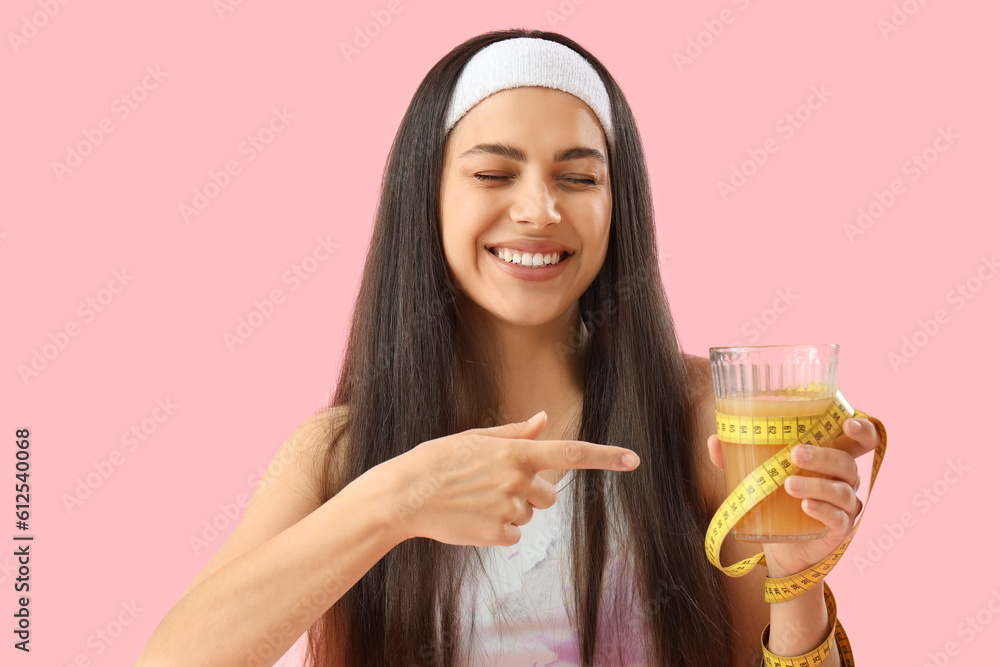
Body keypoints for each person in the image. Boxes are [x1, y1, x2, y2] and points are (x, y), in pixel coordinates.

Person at [136, 29, 881, 667]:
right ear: (426, 195)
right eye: (494, 173)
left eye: (579, 177)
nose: (539, 209)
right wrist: (397, 499)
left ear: (619, 206)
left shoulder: (707, 423)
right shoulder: (341, 452)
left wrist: (798, 582)